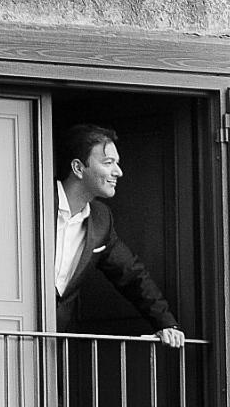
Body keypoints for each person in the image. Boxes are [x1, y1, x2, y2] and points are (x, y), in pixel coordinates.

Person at [54, 123, 185, 347]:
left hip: (52, 341)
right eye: (108, 163)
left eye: (117, 163)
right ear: (78, 168)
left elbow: (131, 274)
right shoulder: (34, 199)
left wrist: (165, 323)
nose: (118, 172)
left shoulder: (101, 219)